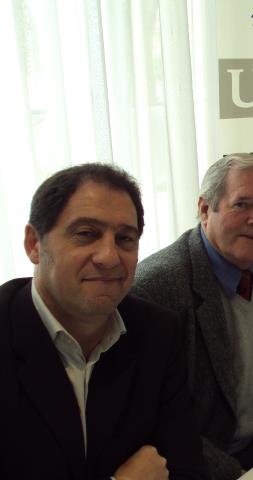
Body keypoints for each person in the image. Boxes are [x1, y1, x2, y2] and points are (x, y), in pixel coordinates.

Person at [0, 164, 207, 479]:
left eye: (125, 238)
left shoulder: (158, 333)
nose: (109, 257)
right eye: (86, 234)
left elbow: (188, 469)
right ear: (34, 244)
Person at [133, 153, 253, 480]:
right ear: (205, 209)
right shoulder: (155, 290)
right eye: (242, 205)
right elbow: (160, 422)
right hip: (209, 467)